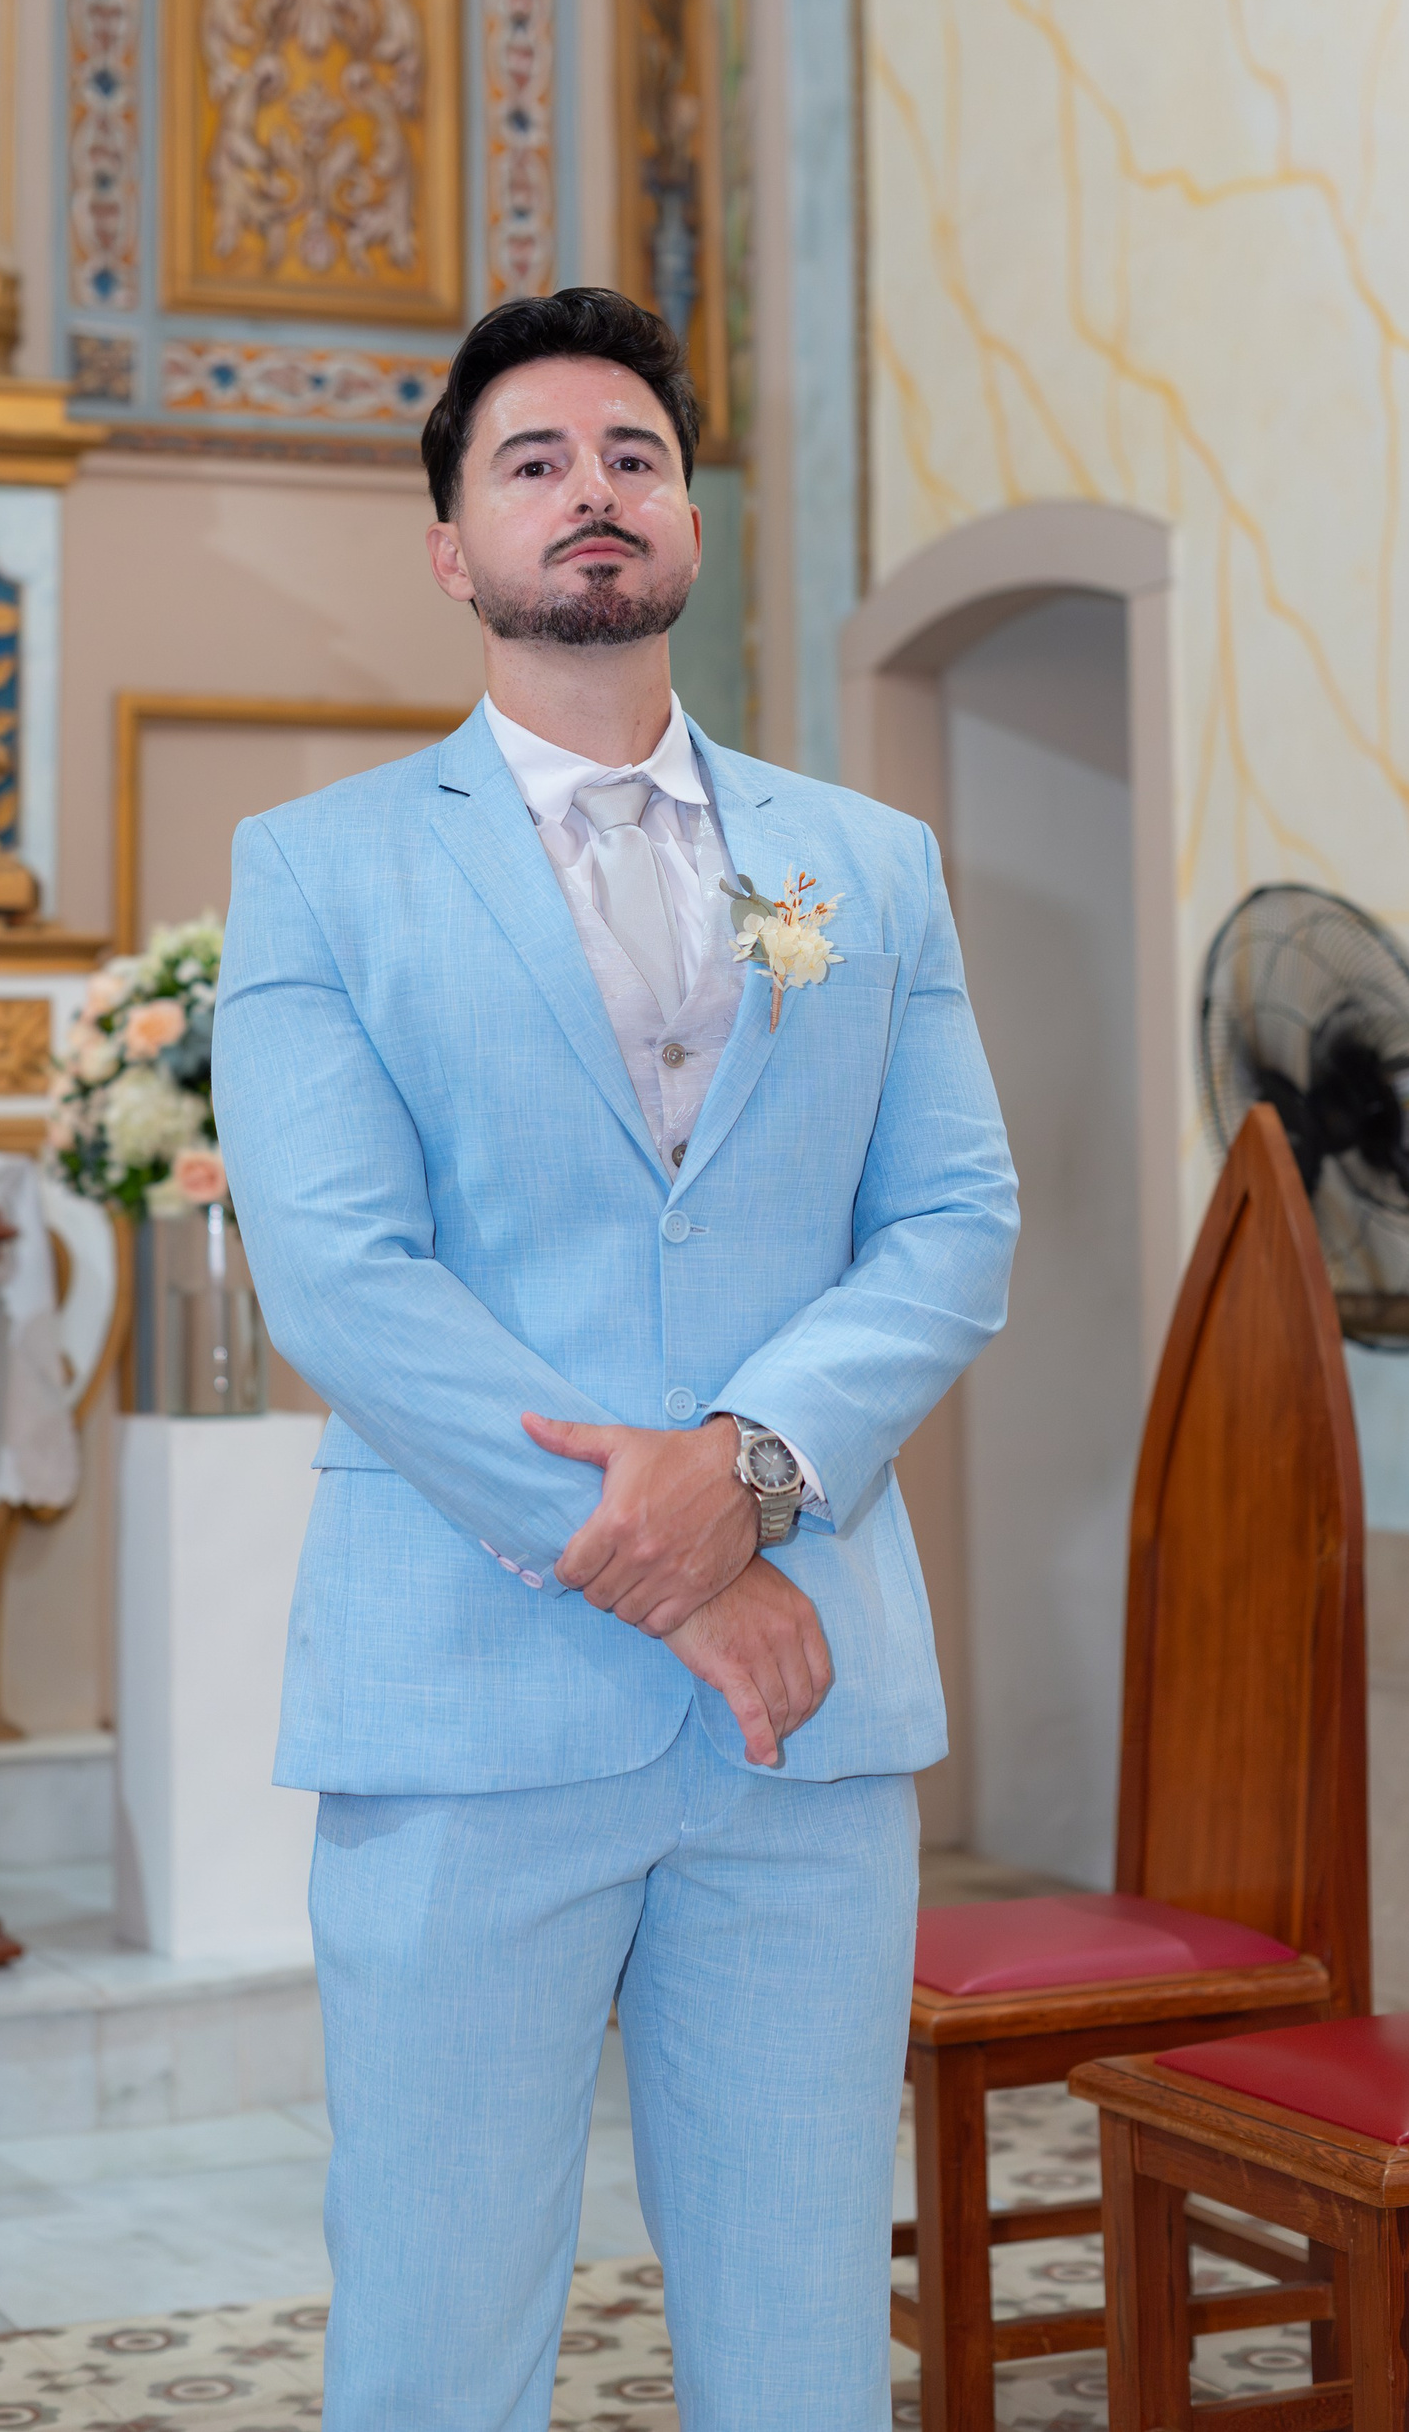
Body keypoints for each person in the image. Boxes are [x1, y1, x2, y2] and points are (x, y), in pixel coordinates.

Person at [213, 286, 1018, 2429]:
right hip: (472, 1699)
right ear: (452, 547)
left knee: (801, 2334)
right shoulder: (318, 874)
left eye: (634, 456)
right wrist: (673, 1567)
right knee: (439, 2337)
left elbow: (953, 1220)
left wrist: (745, 1472)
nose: (594, 490)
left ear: (686, 523)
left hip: (798, 1722)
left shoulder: (861, 866)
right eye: (536, 461)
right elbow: (343, 1278)